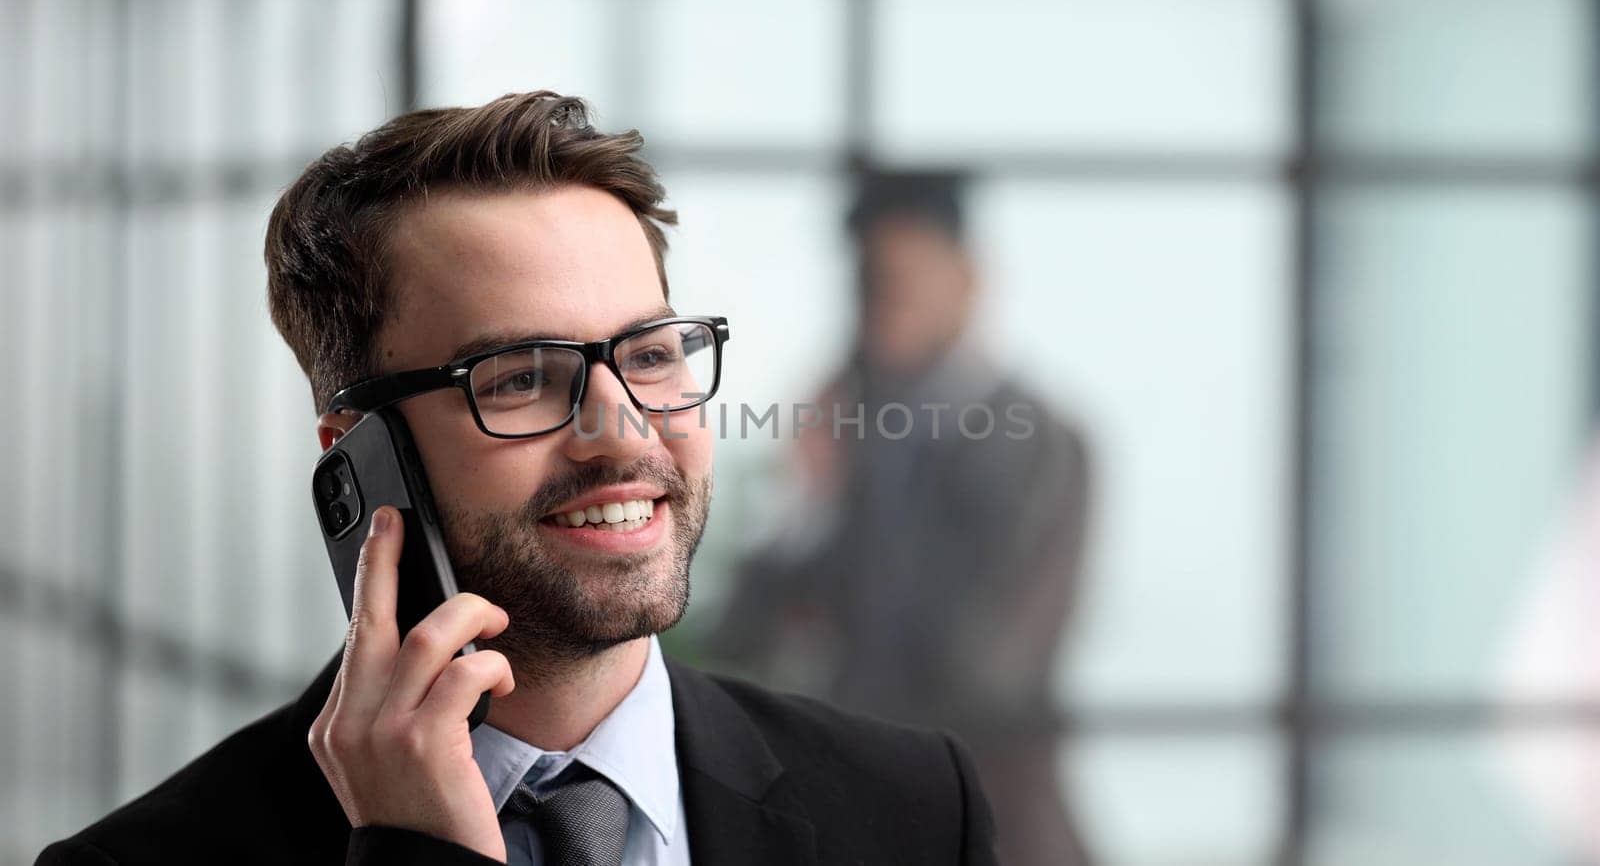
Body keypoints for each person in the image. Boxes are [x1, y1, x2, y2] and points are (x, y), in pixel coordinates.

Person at [35, 92, 998, 866]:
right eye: (522, 378)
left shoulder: (915, 810)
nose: (619, 435)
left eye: (653, 355)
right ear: (361, 455)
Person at [709, 170, 1094, 866]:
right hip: (851, 822)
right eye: (866, 284)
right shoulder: (846, 437)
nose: (878, 305)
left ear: (969, 279)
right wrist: (810, 505)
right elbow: (738, 640)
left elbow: (989, 668)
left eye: (900, 280)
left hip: (993, 826)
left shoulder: (1043, 446)